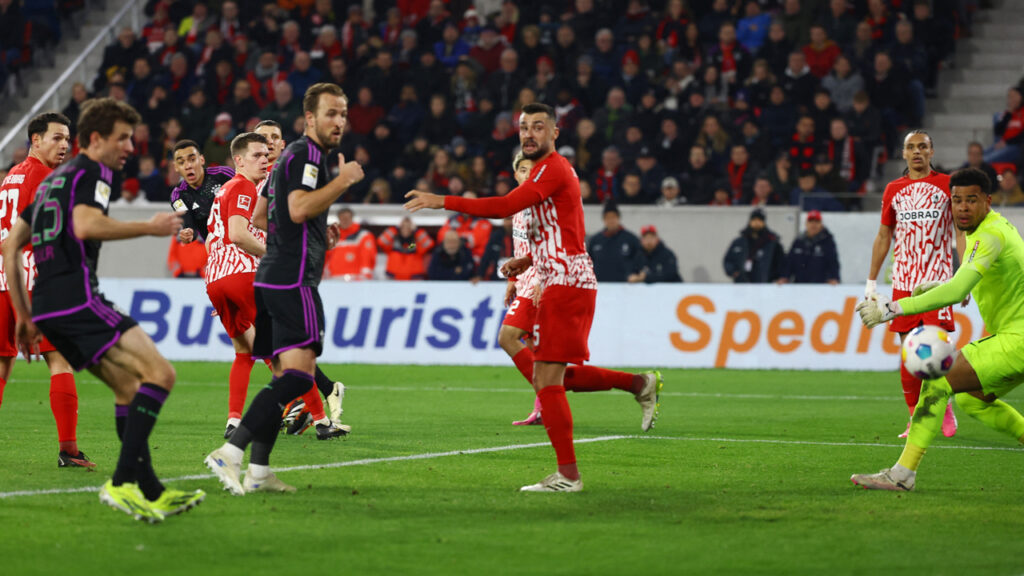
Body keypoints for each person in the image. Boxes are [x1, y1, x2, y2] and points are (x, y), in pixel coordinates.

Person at [406, 102, 662, 493]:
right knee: (552, 378)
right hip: (555, 277)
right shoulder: (546, 172)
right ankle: (637, 385)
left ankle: (570, 475)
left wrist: (444, 200)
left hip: (565, 282)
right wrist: (525, 260)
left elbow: (505, 206)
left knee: (546, 378)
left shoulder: (553, 168)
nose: (529, 134)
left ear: (555, 133)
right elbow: (564, 231)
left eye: (538, 127)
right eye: (524, 127)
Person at [3, 98, 203, 522]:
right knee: (162, 374)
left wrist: (24, 315)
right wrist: (148, 228)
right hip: (78, 298)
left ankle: (150, 491)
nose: (131, 146)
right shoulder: (95, 171)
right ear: (95, 140)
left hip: (47, 305)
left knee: (127, 390)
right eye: (123, 138)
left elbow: (9, 247)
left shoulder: (55, 179)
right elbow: (86, 225)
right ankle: (122, 481)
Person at [205, 83, 364, 496]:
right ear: (310, 118)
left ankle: (258, 471)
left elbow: (263, 213)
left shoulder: (289, 160)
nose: (339, 122)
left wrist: (312, 233)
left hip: (273, 274)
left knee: (282, 373)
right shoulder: (308, 155)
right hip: (292, 279)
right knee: (299, 375)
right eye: (331, 113)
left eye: (343, 114)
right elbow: (295, 208)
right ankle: (231, 451)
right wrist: (343, 182)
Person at [852, 168, 1024, 491]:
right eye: (956, 200)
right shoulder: (986, 230)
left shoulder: (989, 235)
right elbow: (970, 282)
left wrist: (894, 308)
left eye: (971, 200)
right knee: (973, 401)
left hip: (1017, 340)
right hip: (1013, 339)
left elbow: (959, 292)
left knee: (938, 382)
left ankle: (902, 474)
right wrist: (943, 283)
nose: (962, 207)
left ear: (987, 201)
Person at [502, 152, 663, 427]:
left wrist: (542, 280)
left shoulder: (544, 202)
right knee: (548, 367)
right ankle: (637, 384)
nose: (528, 174)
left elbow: (556, 245)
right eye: (523, 170)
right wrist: (513, 282)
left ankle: (550, 404)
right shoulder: (519, 207)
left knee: (509, 338)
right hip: (529, 281)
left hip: (550, 282)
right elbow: (524, 248)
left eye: (533, 170)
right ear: (515, 175)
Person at [0, 112, 93, 468]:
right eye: (56, 137)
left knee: (2, 365)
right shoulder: (43, 177)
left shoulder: (13, 174)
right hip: (33, 279)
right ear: (35, 140)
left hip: (4, 278)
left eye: (67, 138)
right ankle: (68, 450)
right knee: (60, 359)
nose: (65, 145)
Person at [248, 119, 347, 438]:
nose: (270, 144)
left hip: (286, 273)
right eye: (263, 140)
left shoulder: (292, 169)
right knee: (283, 359)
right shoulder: (269, 176)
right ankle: (316, 403)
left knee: (289, 358)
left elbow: (296, 215)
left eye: (275, 138)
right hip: (272, 272)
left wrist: (307, 238)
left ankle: (247, 440)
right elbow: (258, 219)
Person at [868, 130, 963, 439]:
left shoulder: (947, 185)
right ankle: (917, 418)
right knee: (910, 354)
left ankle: (944, 409)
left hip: (938, 282)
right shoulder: (893, 189)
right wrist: (871, 283)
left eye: (923, 146)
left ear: (931, 151)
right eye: (911, 147)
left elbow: (961, 233)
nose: (917, 151)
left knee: (937, 349)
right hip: (904, 282)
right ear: (904, 154)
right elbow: (884, 236)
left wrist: (963, 277)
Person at [203, 132, 270, 439]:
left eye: (267, 154)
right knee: (278, 345)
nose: (265, 159)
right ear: (239, 160)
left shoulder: (224, 190)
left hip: (216, 278)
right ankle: (319, 417)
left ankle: (233, 420)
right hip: (241, 273)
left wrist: (222, 282)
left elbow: (209, 242)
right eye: (257, 155)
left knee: (244, 351)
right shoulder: (243, 186)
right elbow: (238, 234)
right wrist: (273, 259)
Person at [169, 140, 235, 245]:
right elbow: (189, 225)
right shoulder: (178, 196)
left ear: (202, 160)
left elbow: (250, 192)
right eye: (181, 162)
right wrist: (188, 234)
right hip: (218, 251)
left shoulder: (223, 174)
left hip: (244, 238)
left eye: (192, 159)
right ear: (176, 167)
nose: (187, 166)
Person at [723, 209, 786, 283]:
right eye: (754, 220)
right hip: (742, 284)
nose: (756, 223)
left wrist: (778, 277)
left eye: (759, 220)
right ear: (750, 221)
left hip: (765, 284)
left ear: (764, 223)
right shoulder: (739, 242)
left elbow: (781, 262)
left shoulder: (772, 243)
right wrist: (733, 271)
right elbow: (728, 260)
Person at [587, 202, 642, 282]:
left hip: (625, 287)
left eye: (613, 217)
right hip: (601, 286)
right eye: (608, 218)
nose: (611, 220)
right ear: (604, 219)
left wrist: (636, 275)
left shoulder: (631, 239)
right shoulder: (595, 240)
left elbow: (640, 260)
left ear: (618, 218)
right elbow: (589, 263)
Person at [781, 211, 839, 284]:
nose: (813, 225)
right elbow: (790, 261)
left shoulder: (827, 242)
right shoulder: (798, 242)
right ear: (806, 223)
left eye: (816, 222)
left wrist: (834, 278)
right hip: (799, 286)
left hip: (821, 287)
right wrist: (785, 277)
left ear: (821, 224)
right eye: (811, 221)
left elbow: (833, 262)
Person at [324, 207, 376, 280]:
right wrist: (322, 274)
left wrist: (365, 275)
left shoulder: (363, 235)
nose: (345, 221)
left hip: (356, 278)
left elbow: (367, 256)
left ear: (352, 218)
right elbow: (325, 256)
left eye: (347, 218)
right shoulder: (333, 236)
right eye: (342, 218)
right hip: (334, 278)